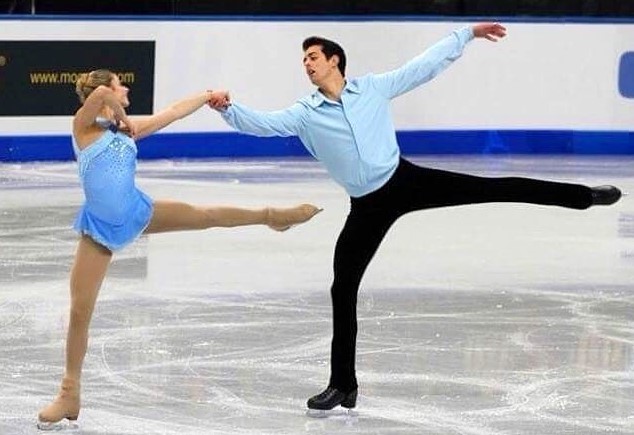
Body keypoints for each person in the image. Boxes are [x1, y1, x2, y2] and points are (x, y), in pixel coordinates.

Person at [208, 22, 622, 412]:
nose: (307, 64)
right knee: (342, 288)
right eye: (303, 60)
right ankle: (343, 385)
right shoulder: (305, 112)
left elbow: (422, 68)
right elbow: (263, 124)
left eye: (313, 56)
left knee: (492, 187)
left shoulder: (371, 88)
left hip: (405, 181)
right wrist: (230, 109)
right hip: (366, 205)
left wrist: (467, 34)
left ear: (335, 60)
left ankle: (584, 196)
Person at [37, 69, 321, 429]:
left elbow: (172, 112)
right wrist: (123, 118)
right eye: (119, 84)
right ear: (106, 88)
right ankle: (69, 393)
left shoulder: (123, 131)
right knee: (80, 312)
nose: (125, 88)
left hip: (136, 210)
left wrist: (205, 97)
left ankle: (271, 216)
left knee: (205, 215)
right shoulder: (83, 127)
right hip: (99, 230)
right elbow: (99, 101)